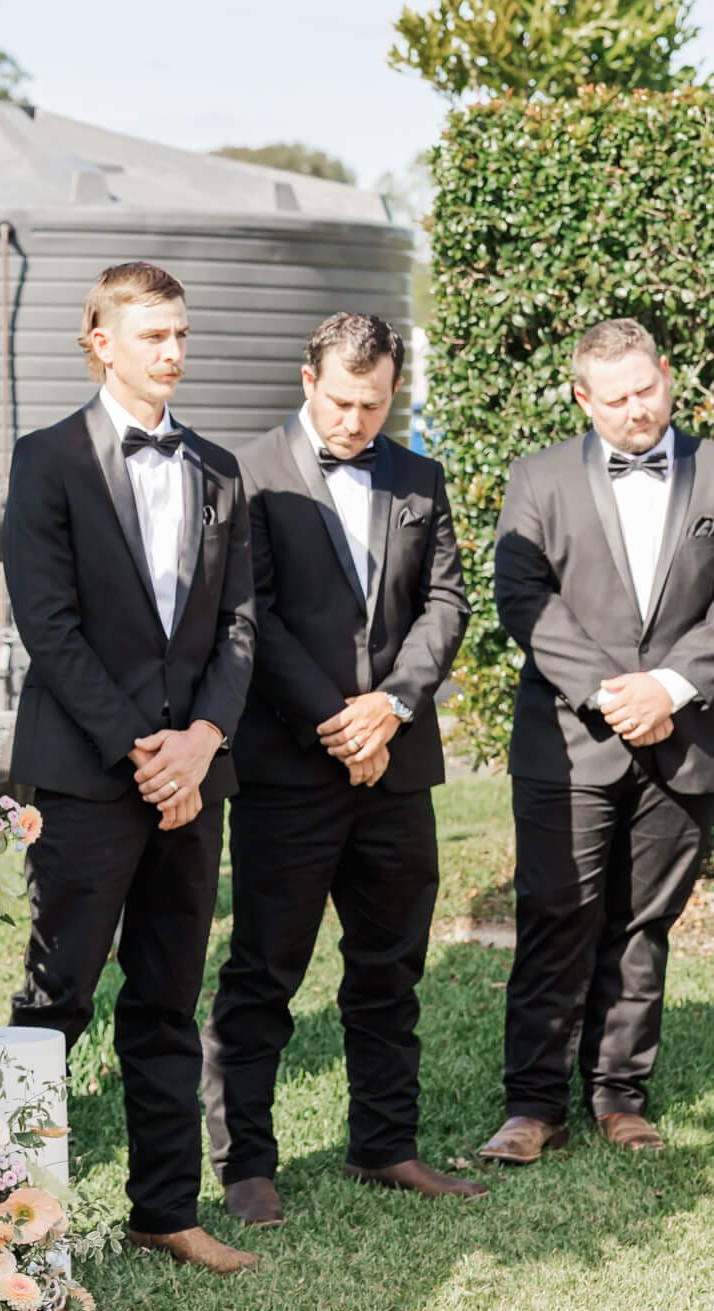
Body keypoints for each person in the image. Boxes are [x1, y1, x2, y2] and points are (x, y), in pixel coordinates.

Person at [199, 314, 485, 1228]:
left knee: (392, 966)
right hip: (292, 767)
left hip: (398, 767)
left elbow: (447, 602)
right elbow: (253, 614)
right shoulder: (248, 474)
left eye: (375, 402)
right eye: (342, 400)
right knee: (264, 970)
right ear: (307, 379)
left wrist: (392, 706)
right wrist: (336, 719)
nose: (359, 420)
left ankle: (386, 1143)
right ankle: (244, 1161)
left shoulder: (418, 477)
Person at [3, 261, 258, 1275]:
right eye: (153, 335)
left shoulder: (219, 470)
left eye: (181, 335)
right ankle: (10, 1222)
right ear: (100, 340)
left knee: (164, 1000)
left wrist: (201, 741)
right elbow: (49, 627)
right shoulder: (45, 459)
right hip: (83, 775)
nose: (173, 353)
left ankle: (164, 1209)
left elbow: (241, 624)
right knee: (53, 999)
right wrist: (142, 750)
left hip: (193, 779)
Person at [480, 318, 714, 1164]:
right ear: (583, 399)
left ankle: (619, 1094)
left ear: (667, 375)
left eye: (647, 389)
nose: (637, 409)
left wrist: (670, 688)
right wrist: (619, 698)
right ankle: (533, 1103)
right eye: (615, 399)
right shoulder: (536, 481)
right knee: (554, 916)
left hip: (686, 737)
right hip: (569, 738)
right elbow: (523, 597)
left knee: (644, 922)